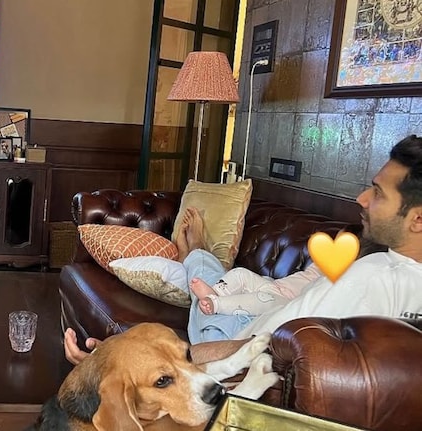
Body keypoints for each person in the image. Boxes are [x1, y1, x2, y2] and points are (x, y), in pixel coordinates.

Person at [65, 134, 422, 365]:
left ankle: (194, 252)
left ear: (417, 220)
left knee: (207, 282)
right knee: (219, 280)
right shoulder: (389, 273)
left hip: (231, 339)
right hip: (251, 320)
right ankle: (196, 254)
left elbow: (263, 350)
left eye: (377, 193)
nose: (361, 199)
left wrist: (131, 362)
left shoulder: (371, 277)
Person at [189, 264, 322, 316]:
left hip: (286, 302)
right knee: (240, 273)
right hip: (274, 285)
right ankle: (216, 293)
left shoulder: (336, 283)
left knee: (263, 299)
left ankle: (216, 304)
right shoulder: (323, 261)